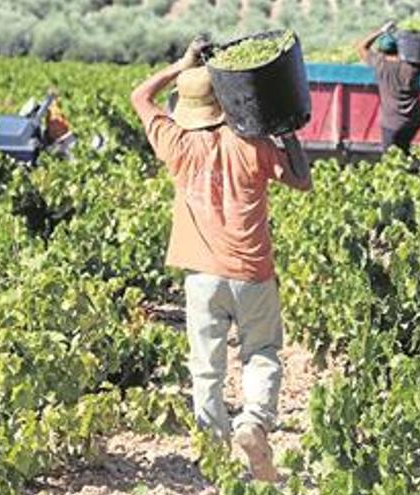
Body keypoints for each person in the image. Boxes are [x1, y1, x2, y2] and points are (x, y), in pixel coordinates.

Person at [129, 38, 312, 482]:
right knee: (262, 353)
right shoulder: (251, 143)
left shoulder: (174, 142)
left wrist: (182, 63)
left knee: (206, 366)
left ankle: (213, 452)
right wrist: (284, 127)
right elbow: (301, 181)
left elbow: (139, 96)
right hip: (252, 272)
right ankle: (252, 423)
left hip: (201, 277)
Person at [355, 21, 420, 155]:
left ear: (382, 50)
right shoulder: (412, 66)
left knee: (391, 160)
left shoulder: (379, 63)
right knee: (403, 154)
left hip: (391, 123)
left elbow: (361, 47)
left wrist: (381, 30)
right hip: (413, 120)